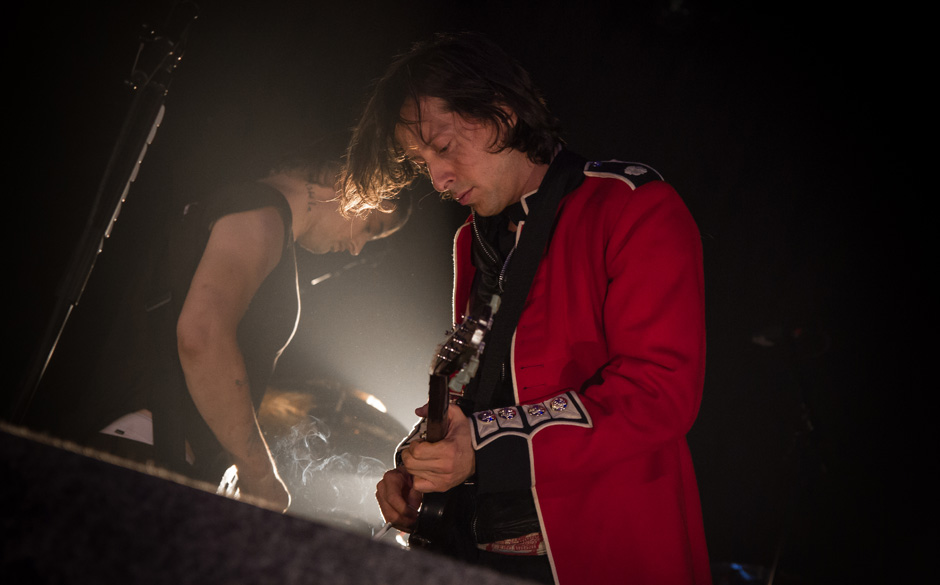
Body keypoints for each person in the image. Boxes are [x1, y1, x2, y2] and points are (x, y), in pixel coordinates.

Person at [342, 33, 710, 584]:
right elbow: (478, 386)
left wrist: (483, 448)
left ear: (501, 114)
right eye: (423, 163)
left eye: (442, 147)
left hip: (605, 550)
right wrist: (419, 464)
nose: (438, 179)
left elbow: (660, 393)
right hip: (473, 549)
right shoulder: (472, 240)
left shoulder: (633, 205)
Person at [26, 144, 406, 513]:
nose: (358, 247)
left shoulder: (241, 207)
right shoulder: (262, 217)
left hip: (145, 451)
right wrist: (259, 474)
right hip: (147, 458)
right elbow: (201, 337)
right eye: (370, 227)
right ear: (347, 183)